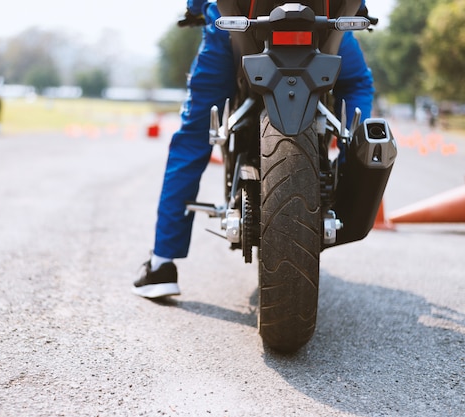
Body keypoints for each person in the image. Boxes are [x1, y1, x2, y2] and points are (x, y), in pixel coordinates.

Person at [132, 0, 375, 298]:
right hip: (320, 24)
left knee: (194, 137)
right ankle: (351, 179)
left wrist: (195, 7)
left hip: (236, 26)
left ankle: (162, 265)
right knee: (357, 85)